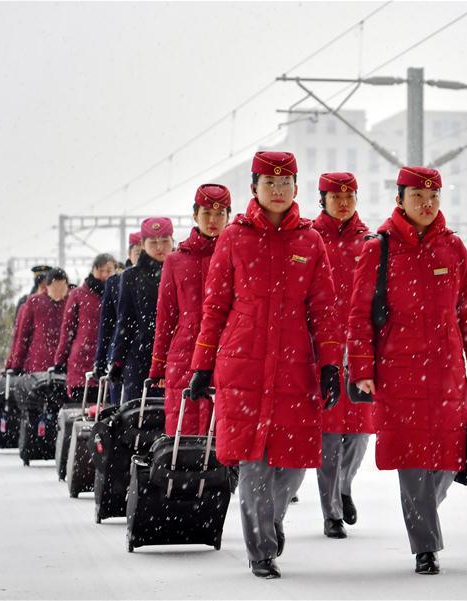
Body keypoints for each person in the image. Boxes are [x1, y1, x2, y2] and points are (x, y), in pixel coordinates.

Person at [188, 151, 342, 579]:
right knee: (253, 459)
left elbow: (324, 309)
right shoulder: (234, 238)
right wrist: (202, 366)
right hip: (243, 365)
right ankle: (260, 549)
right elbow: (215, 307)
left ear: (296, 188)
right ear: (255, 188)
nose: (278, 191)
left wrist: (331, 364)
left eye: (286, 183)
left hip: (296, 364)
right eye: (270, 183)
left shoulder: (310, 241)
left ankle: (270, 520)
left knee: (292, 462)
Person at [348, 166, 467, 576]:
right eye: (417, 198)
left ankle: (423, 516)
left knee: (447, 461)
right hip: (398, 373)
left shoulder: (453, 248)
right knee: (412, 462)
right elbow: (359, 316)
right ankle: (425, 547)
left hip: (447, 372)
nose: (427, 206)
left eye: (433, 198)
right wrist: (362, 368)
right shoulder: (379, 248)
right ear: (400, 200)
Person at [311, 172, 373, 539]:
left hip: (361, 345)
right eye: (336, 196)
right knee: (329, 435)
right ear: (323, 199)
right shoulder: (310, 237)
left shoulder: (369, 241)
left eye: (349, 195)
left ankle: (344, 486)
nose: (344, 202)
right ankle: (331, 512)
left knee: (360, 433)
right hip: (324, 347)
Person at [149, 184, 231, 436]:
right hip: (184, 353)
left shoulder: (235, 254)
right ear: (195, 215)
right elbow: (166, 316)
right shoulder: (176, 261)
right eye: (206, 213)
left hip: (227, 350)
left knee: (223, 436)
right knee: (184, 437)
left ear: (229, 216)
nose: (213, 220)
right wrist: (158, 364)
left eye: (220, 214)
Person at [109, 218, 173, 402]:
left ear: (173, 242)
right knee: (138, 412)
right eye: (153, 242)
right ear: (143, 245)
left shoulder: (183, 270)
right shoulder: (131, 276)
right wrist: (118, 360)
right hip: (140, 355)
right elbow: (125, 320)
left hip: (176, 354)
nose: (160, 247)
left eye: (165, 240)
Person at [52, 254, 117, 401]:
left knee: (108, 414)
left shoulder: (118, 292)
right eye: (101, 270)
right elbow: (67, 329)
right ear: (93, 270)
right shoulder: (78, 294)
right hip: (82, 363)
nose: (105, 275)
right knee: (82, 413)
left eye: (109, 270)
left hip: (110, 361)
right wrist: (60, 360)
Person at [93, 232, 141, 404]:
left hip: (156, 356)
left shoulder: (167, 276)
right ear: (129, 254)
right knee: (124, 410)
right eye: (138, 251)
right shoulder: (116, 282)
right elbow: (107, 324)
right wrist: (100, 360)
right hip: (123, 355)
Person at [6, 268, 70, 375]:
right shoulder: (33, 302)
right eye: (55, 286)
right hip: (38, 365)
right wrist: (16, 365)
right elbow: (22, 336)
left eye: (62, 286)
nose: (58, 290)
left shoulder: (71, 302)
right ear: (48, 286)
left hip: (64, 366)